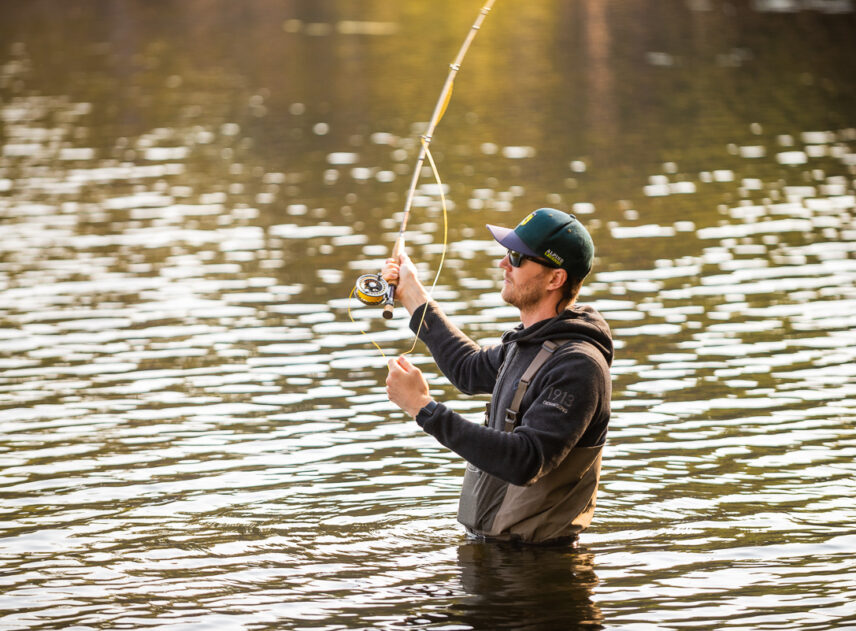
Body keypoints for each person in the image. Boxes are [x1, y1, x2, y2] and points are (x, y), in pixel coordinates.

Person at [383, 207, 613, 545]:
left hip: (541, 570)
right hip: (496, 557)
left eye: (518, 258)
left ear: (555, 279)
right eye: (508, 253)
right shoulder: (528, 344)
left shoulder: (579, 367)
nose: (504, 264)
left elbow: (526, 460)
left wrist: (422, 407)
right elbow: (468, 369)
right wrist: (410, 292)